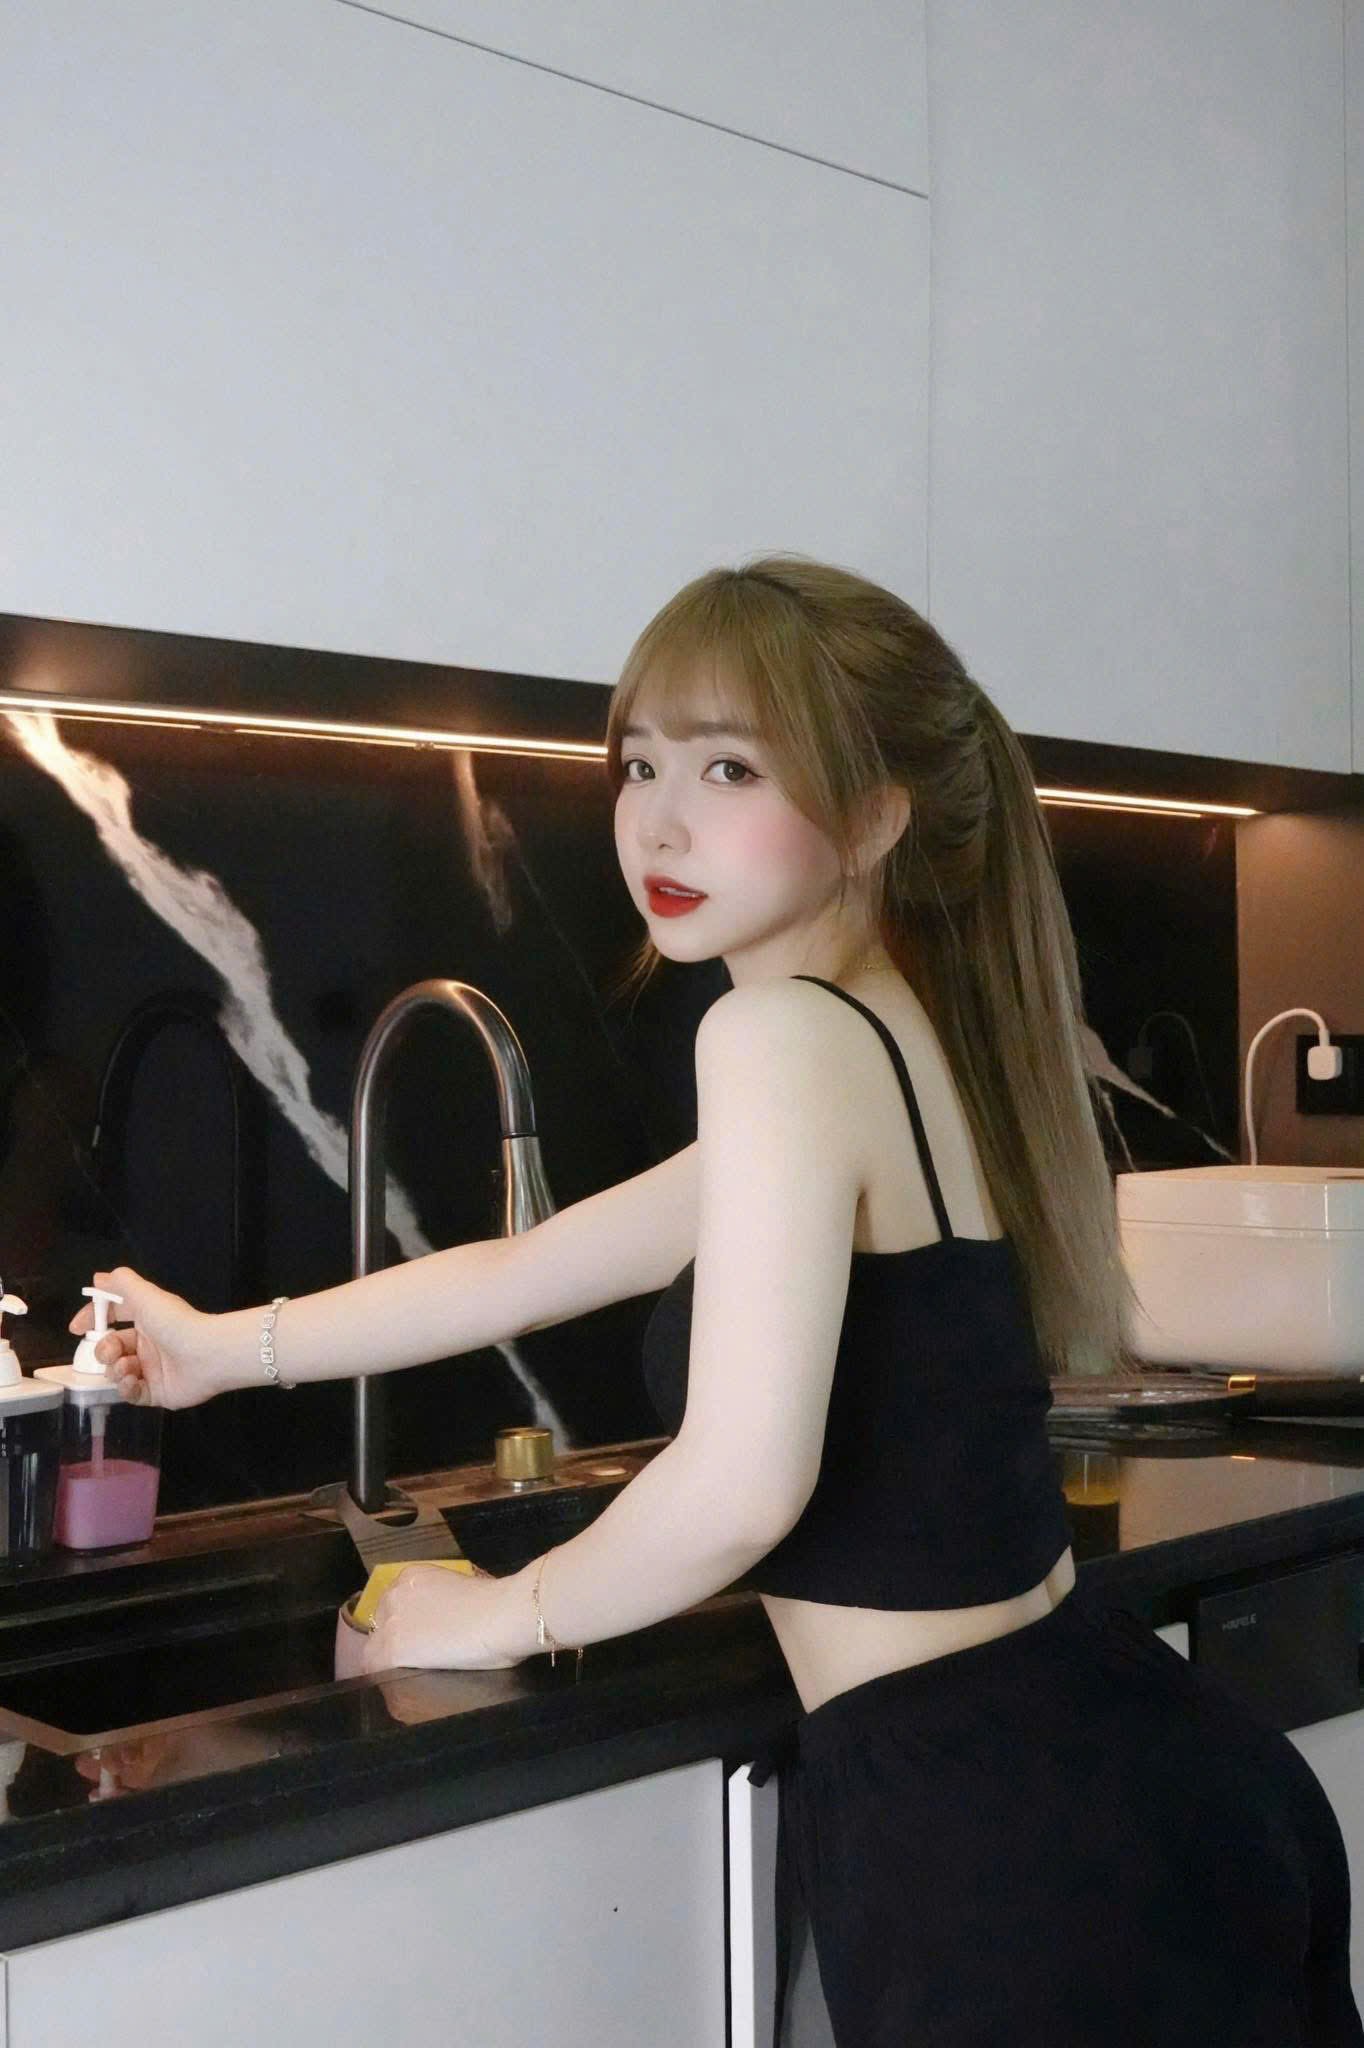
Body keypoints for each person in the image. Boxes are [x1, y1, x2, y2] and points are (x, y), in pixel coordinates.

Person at [74, 557, 1362, 2045]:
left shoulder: (782, 1040)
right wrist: (222, 1350)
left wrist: (489, 1613)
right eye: (640, 766)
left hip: (1004, 1847)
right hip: (1129, 1775)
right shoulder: (889, 1033)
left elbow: (744, 1487)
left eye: (731, 768)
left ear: (874, 818)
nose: (660, 823)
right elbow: (532, 1269)